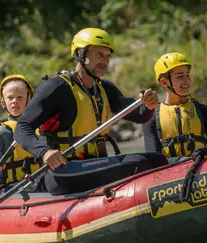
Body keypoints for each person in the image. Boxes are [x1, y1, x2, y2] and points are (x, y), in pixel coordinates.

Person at [13, 28, 164, 193]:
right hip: (63, 172)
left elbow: (139, 115)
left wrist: (148, 106)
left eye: (107, 56)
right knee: (139, 163)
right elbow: (22, 126)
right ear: (80, 53)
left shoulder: (105, 88)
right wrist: (44, 152)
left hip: (95, 165)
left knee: (157, 160)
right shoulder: (56, 87)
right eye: (99, 55)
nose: (105, 61)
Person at [143, 52, 207, 159]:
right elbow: (153, 160)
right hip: (171, 173)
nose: (187, 81)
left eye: (187, 75)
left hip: (201, 168)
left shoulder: (205, 111)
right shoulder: (150, 118)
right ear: (164, 82)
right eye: (180, 77)